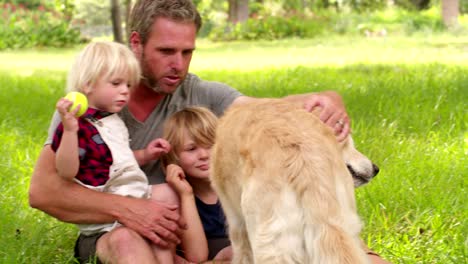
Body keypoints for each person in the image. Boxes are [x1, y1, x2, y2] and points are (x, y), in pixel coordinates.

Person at [29, 0, 388, 263]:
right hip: (122, 232)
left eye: (188, 52)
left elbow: (268, 106)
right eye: (166, 51)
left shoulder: (198, 93)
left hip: (202, 233)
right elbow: (44, 192)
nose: (178, 65)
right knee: (128, 245)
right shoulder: (85, 106)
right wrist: (130, 210)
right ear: (135, 43)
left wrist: (328, 98)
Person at [51, 41, 194, 263]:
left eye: (128, 84)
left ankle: (167, 258)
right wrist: (70, 131)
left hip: (132, 193)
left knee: (168, 192)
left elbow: (118, 161)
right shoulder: (77, 125)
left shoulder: (113, 119)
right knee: (127, 240)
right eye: (116, 83)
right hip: (106, 216)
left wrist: (145, 154)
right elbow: (66, 171)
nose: (125, 91)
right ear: (88, 84)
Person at [161, 106, 232, 262]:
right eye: (192, 149)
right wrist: (186, 195)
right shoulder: (174, 196)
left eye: (210, 145)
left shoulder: (235, 187)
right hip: (208, 250)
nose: (204, 155)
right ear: (174, 156)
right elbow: (197, 256)